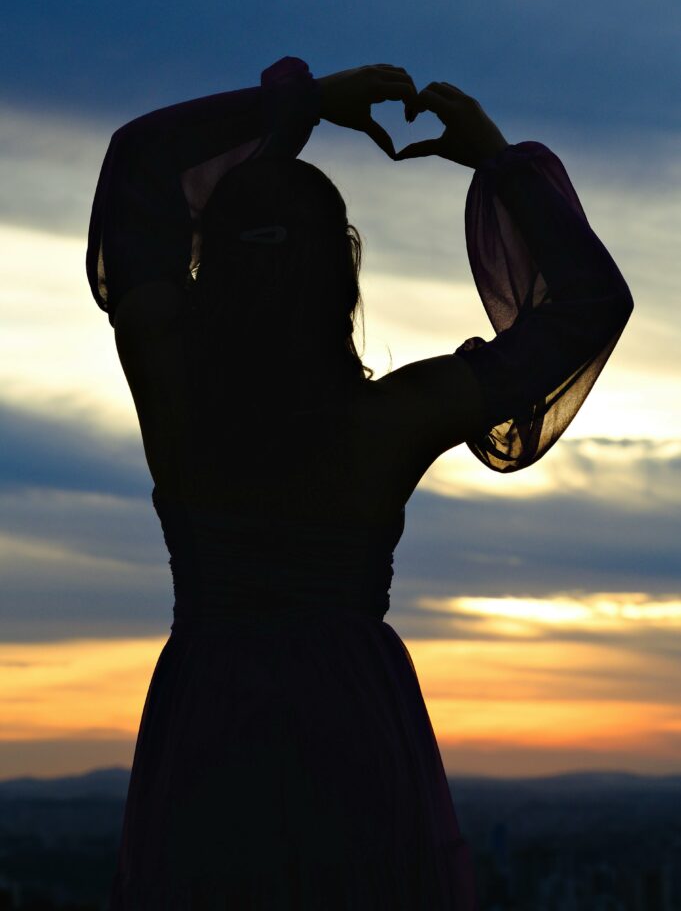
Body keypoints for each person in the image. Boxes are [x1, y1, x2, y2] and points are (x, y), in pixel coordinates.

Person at [86, 57, 633, 909]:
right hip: (348, 720)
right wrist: (497, 162)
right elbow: (589, 304)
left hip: (208, 718)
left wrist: (299, 107)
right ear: (340, 280)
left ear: (210, 265)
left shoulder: (169, 379)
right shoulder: (391, 419)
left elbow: (140, 164)